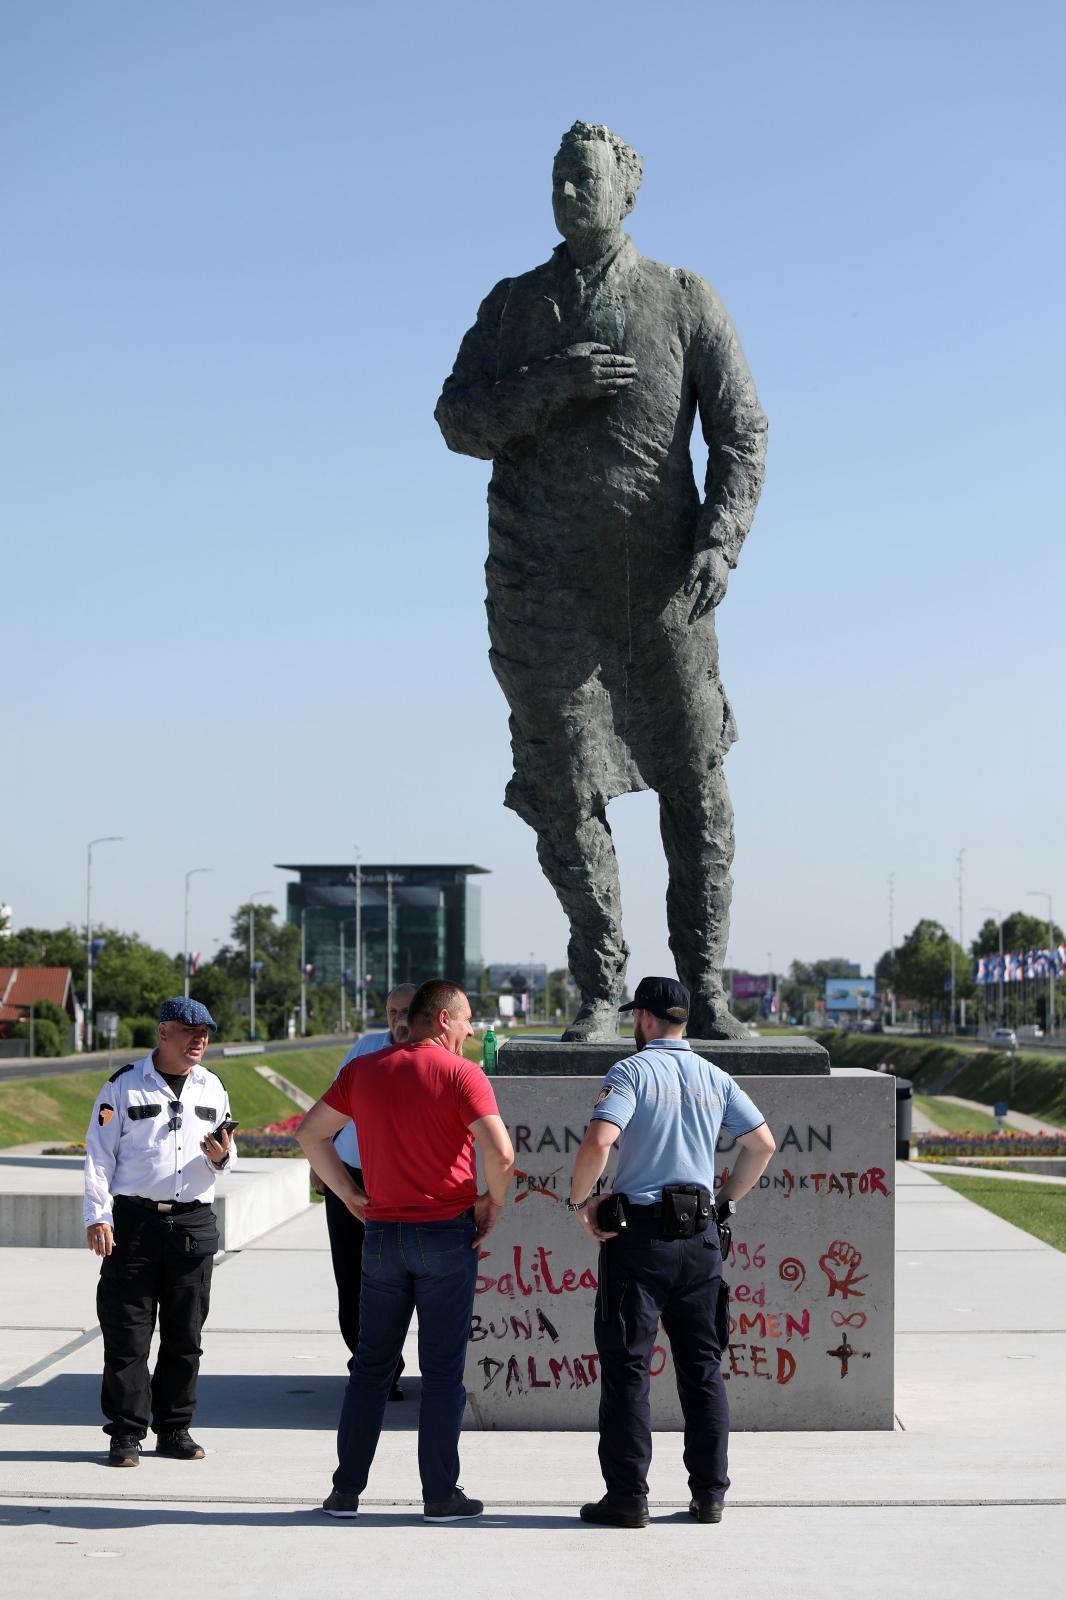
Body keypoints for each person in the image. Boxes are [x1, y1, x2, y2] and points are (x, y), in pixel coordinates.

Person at [436, 122, 767, 1042]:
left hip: (661, 586)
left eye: (585, 178)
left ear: (626, 193)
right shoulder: (514, 307)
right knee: (561, 787)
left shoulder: (683, 298)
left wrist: (720, 542)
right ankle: (599, 982)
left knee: (695, 780)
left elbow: (741, 431)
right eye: (558, 177)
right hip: (543, 592)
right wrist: (549, 385)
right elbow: (457, 418)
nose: (570, 192)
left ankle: (702, 987)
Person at [297, 979, 515, 1522]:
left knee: (371, 1367)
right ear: (442, 1020)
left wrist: (347, 1193)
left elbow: (309, 1134)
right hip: (445, 1232)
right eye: (466, 1020)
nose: (470, 1030)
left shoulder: (365, 1070)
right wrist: (492, 1203)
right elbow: (501, 1152)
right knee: (442, 1373)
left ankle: (345, 1491)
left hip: (382, 1236)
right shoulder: (463, 1073)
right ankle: (440, 1494)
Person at [566, 975, 776, 1527]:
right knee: (703, 1370)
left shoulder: (631, 1071)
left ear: (645, 1019)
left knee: (629, 1369)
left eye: (635, 1016)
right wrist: (726, 1200)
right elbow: (763, 1144)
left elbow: (599, 1141)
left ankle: (628, 1497)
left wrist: (580, 1201)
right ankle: (710, 1495)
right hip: (701, 1239)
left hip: (640, 1240)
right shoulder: (715, 1076)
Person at [83, 996, 236, 1467]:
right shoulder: (124, 1087)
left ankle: (175, 1429)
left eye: (205, 1033)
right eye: (190, 1032)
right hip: (133, 1224)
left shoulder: (213, 1088)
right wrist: (98, 1215)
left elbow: (227, 1161)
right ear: (163, 1032)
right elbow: (98, 1155)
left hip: (191, 1223)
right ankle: (126, 1434)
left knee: (184, 1336)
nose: (200, 1041)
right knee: (127, 1335)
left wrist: (220, 1158)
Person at [314, 982, 416, 1396]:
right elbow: (333, 1105)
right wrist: (321, 1163)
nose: (398, 1019)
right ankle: (368, 1365)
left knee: (397, 1279)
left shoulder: (435, 1054)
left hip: (400, 1181)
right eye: (392, 1011)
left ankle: (386, 1362)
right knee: (351, 1276)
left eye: (407, 1010)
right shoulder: (366, 1045)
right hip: (349, 1174)